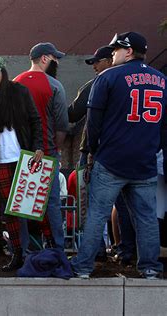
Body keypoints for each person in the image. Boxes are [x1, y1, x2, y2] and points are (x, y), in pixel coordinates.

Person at [71, 32, 167, 279]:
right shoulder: (162, 80)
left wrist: (93, 151)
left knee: (96, 215)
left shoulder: (108, 77)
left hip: (111, 160)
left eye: (115, 50)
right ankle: (149, 268)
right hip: (144, 162)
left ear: (128, 51)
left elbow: (93, 121)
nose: (112, 54)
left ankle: (83, 267)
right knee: (146, 218)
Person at [0, 56, 45, 271]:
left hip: (24, 157)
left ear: (2, 72)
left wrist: (37, 146)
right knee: (10, 211)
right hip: (1, 161)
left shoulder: (19, 91)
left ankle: (37, 251)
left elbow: (35, 119)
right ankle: (17, 252)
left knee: (31, 207)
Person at [14, 42, 69, 250]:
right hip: (46, 152)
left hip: (19, 154)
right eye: (55, 59)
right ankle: (57, 248)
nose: (56, 63)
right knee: (52, 204)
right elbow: (62, 125)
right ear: (45, 58)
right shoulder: (54, 85)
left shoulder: (15, 83)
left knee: (22, 204)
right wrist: (57, 150)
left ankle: (24, 249)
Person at [69, 45, 114, 165]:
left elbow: (73, 113)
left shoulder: (97, 84)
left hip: (97, 150)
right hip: (130, 149)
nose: (94, 66)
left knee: (90, 183)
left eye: (97, 62)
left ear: (110, 61)